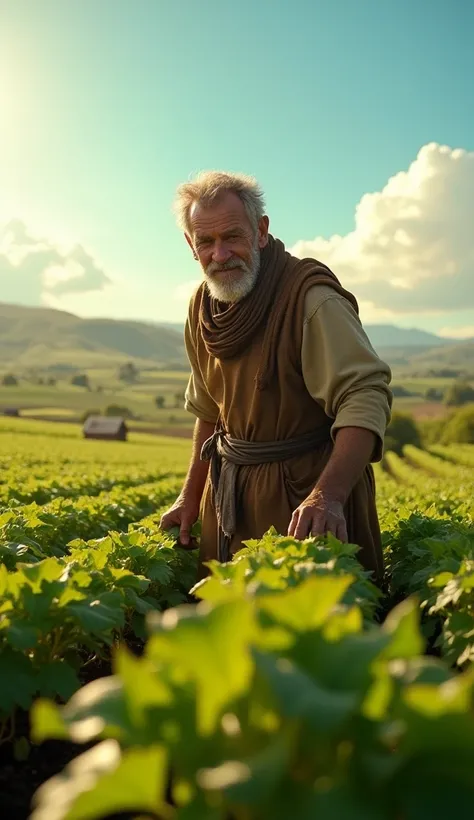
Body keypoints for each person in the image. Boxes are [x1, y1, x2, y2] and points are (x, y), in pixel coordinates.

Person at [160, 171, 392, 584]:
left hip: (307, 504)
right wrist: (190, 496)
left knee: (316, 634)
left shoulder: (310, 299)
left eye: (232, 236)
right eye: (206, 242)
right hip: (229, 500)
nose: (220, 254)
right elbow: (209, 410)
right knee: (228, 631)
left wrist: (329, 497)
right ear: (190, 246)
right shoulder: (202, 307)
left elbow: (364, 396)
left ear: (261, 230)